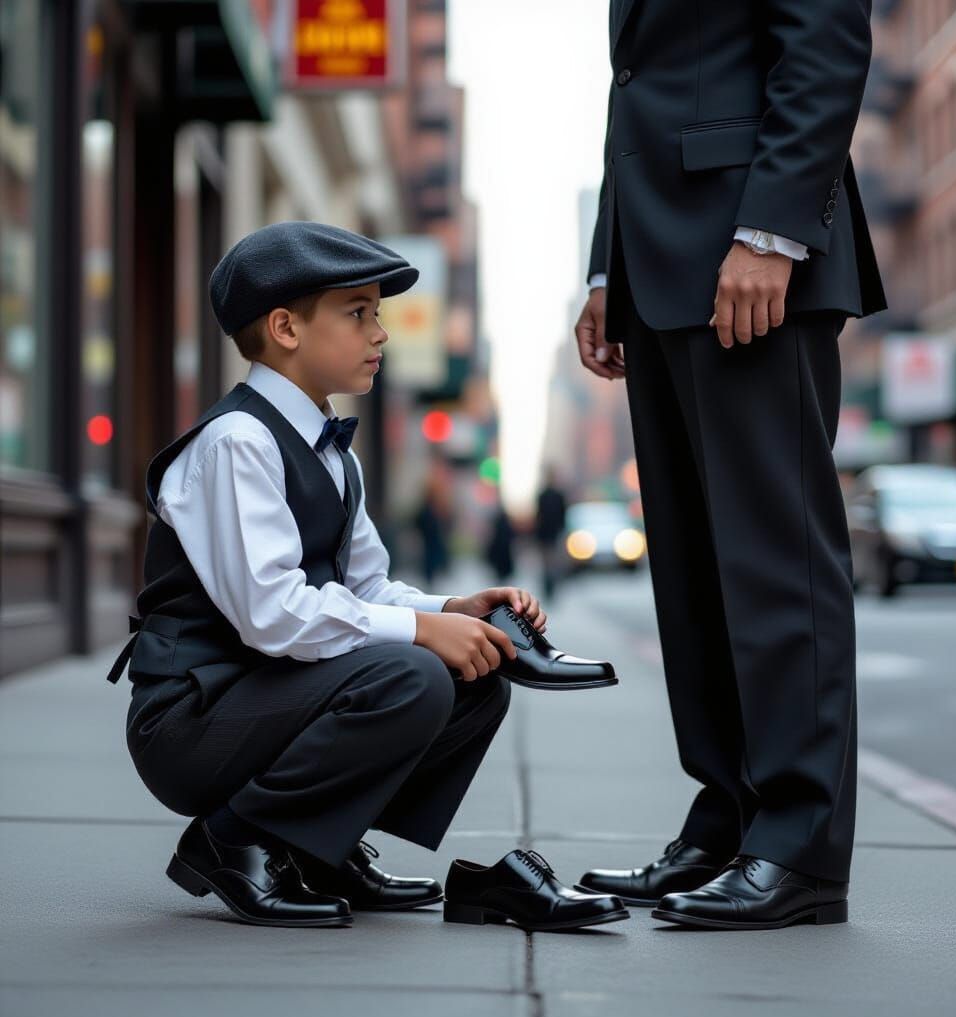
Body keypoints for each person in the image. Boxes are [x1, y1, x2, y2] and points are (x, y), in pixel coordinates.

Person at [106, 222, 558, 929]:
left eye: (377, 313)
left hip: (265, 694)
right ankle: (234, 841)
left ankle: (317, 848)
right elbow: (274, 614)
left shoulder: (333, 453)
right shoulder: (238, 441)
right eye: (358, 313)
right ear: (285, 328)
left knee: (474, 678)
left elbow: (367, 587)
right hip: (192, 719)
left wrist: (452, 610)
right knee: (411, 674)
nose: (381, 333)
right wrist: (421, 632)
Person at [572, 0, 887, 930]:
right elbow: (635, 88)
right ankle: (729, 820)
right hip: (658, 256)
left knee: (776, 560)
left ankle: (799, 848)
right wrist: (606, 269)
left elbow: (824, 44)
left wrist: (771, 233)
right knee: (696, 569)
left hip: (750, 251)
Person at [534, 466, 568, 600]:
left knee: (552, 564)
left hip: (553, 534)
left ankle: (551, 587)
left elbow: (562, 515)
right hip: (546, 534)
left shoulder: (557, 495)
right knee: (547, 564)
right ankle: (548, 587)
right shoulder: (543, 495)